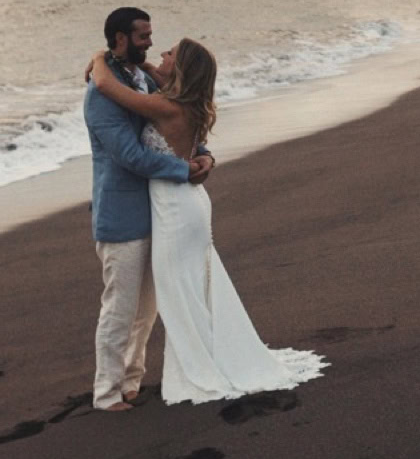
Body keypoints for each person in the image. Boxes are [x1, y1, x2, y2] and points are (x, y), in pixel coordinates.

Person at [86, 36, 327, 403]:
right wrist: (203, 160)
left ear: (180, 70)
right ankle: (198, 359)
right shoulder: (185, 101)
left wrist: (99, 57)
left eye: (168, 53)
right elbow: (148, 76)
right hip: (186, 204)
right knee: (188, 288)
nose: (159, 53)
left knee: (177, 293)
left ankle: (198, 364)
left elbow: (106, 86)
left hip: (175, 208)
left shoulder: (166, 106)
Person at [86, 6, 211, 411]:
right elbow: (128, 155)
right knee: (119, 309)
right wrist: (184, 170)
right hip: (121, 217)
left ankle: (132, 380)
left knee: (147, 311)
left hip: (162, 214)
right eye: (143, 36)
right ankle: (106, 393)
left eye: (153, 35)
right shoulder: (100, 95)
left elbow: (176, 125)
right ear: (120, 38)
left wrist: (204, 155)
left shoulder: (140, 78)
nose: (151, 43)